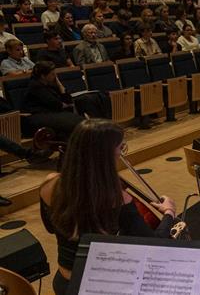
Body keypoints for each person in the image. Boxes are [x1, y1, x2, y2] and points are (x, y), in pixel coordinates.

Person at [40, 120, 177, 294]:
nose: (122, 153)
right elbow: (154, 244)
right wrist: (169, 212)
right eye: (121, 148)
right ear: (104, 156)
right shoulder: (117, 198)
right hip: (98, 285)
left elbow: (51, 228)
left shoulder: (49, 184)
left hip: (64, 283)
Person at [23, 61, 85, 141]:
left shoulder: (50, 84)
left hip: (50, 114)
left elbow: (68, 100)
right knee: (74, 122)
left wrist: (60, 85)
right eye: (52, 74)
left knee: (78, 120)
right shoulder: (35, 86)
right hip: (36, 117)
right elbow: (56, 104)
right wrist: (63, 104)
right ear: (43, 76)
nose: (55, 76)